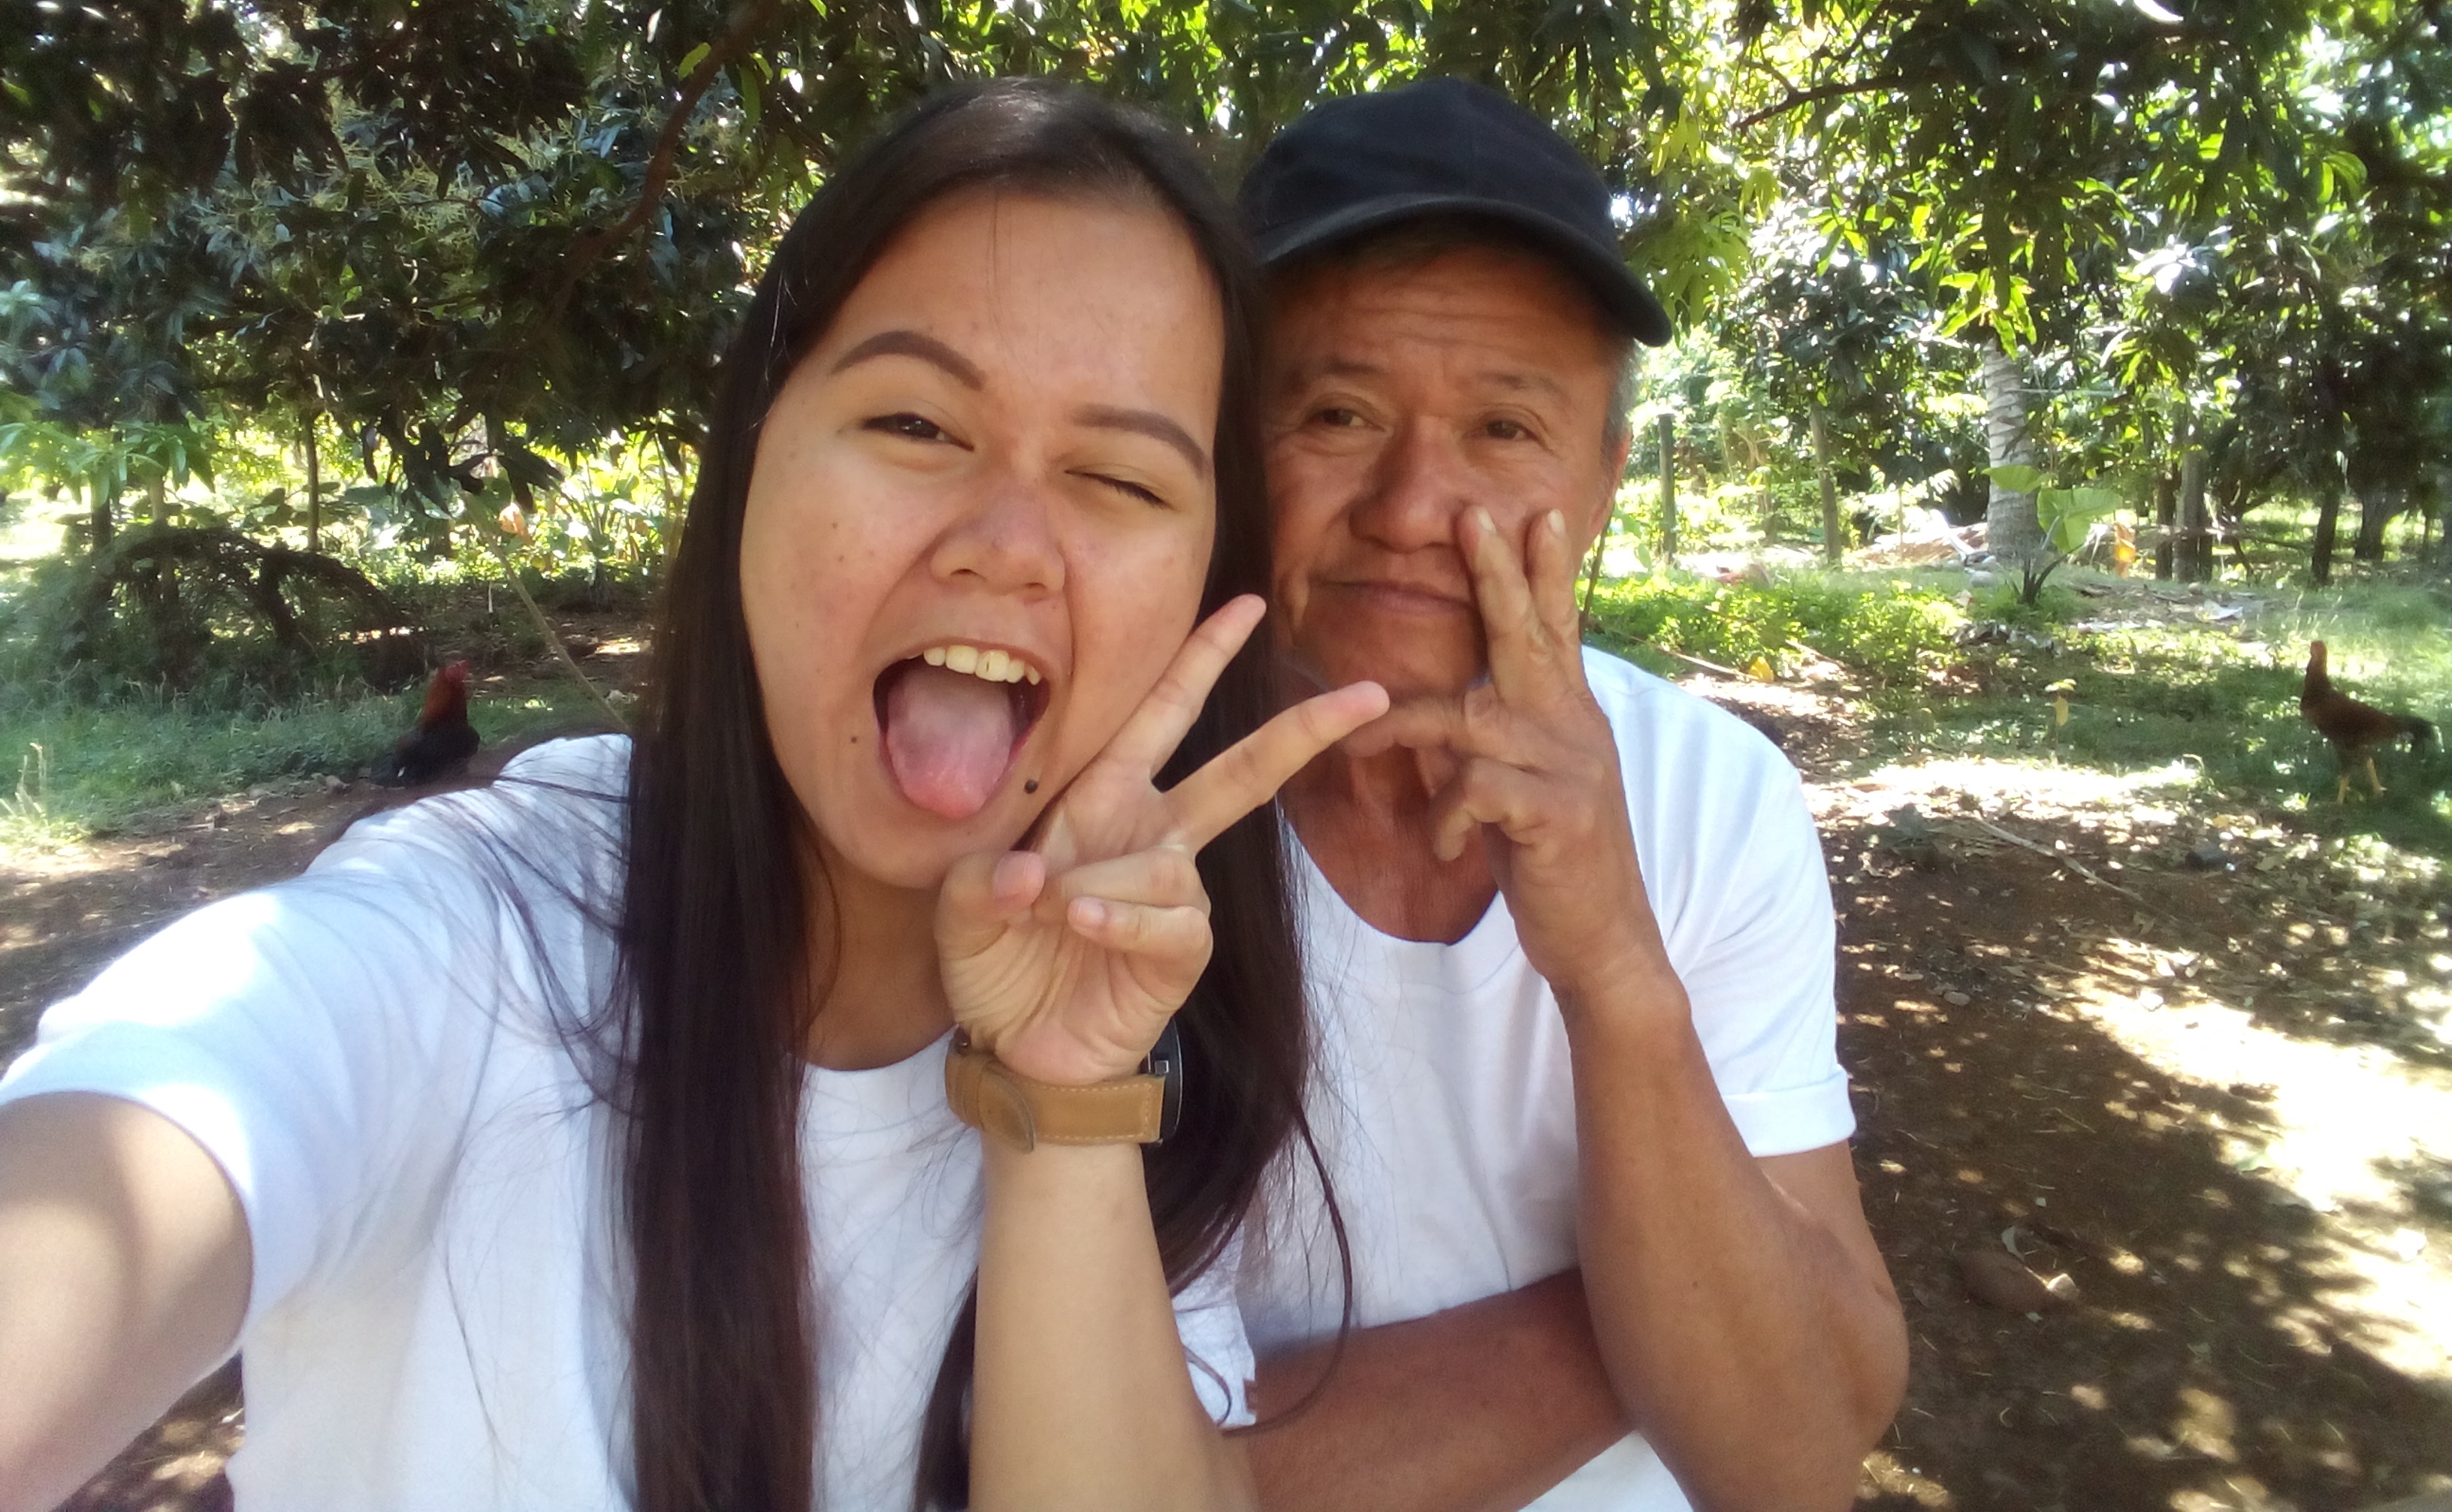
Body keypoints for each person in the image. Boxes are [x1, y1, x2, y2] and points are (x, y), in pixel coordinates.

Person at [0, 81, 1388, 1512]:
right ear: (753, 459)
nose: (1010, 543)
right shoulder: (471, 945)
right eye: (917, 423)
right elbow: (165, 1130)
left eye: (1120, 478)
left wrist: (1064, 1102)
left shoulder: (1152, 1053)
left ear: (1203, 587)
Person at [1231, 78, 1909, 1512]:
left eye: (1505, 429)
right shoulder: (1122, 810)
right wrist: (1665, 1325)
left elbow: (1797, 1457)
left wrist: (1612, 965)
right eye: (1339, 412)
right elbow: (1094, 1461)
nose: (1413, 510)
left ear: (1601, 481)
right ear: (1228, 440)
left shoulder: (1713, 799)